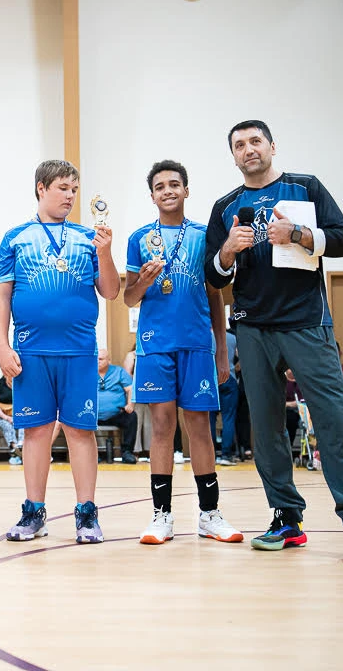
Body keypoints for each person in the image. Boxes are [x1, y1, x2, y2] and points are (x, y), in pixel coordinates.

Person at [204, 120, 343, 564]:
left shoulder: (306, 187)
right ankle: (286, 518)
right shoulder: (225, 207)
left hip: (306, 323)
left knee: (335, 422)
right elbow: (213, 276)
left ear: (272, 146)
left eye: (255, 141)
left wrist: (298, 235)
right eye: (239, 145)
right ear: (233, 155)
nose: (248, 149)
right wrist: (227, 251)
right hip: (252, 327)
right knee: (266, 429)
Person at [0, 160, 120, 544]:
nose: (70, 196)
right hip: (31, 353)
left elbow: (111, 291)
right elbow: (1, 296)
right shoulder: (15, 238)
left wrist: (106, 253)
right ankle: (34, 512)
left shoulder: (87, 237)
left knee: (81, 432)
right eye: (63, 188)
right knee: (35, 433)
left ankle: (86, 514)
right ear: (41, 188)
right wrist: (2, 346)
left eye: (74, 190)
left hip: (79, 352)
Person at [125, 160, 241, 545]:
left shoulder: (205, 236)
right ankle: (162, 516)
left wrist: (221, 350)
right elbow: (128, 298)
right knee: (162, 428)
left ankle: (209, 514)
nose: (168, 191)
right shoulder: (139, 238)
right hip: (155, 346)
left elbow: (215, 294)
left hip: (197, 345)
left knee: (200, 429)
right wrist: (143, 282)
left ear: (186, 190)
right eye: (160, 186)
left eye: (175, 184)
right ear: (152, 196)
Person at [96, 349, 138, 464]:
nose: (97, 361)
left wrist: (130, 405)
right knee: (79, 418)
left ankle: (127, 452)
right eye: (95, 359)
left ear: (109, 360)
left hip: (116, 414)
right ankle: (91, 454)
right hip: (93, 415)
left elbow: (130, 389)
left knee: (132, 416)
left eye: (101, 359)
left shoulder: (119, 372)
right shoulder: (87, 373)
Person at [212, 325, 240, 465]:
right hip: (229, 377)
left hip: (210, 379)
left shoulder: (205, 336)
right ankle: (226, 455)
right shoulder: (232, 338)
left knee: (208, 419)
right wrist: (235, 368)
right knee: (228, 417)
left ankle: (210, 455)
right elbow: (242, 357)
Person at [0, 375, 21, 464]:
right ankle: (15, 449)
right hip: (0, 416)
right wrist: (6, 417)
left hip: (17, 415)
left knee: (24, 424)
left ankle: (22, 446)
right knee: (7, 426)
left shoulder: (20, 383)